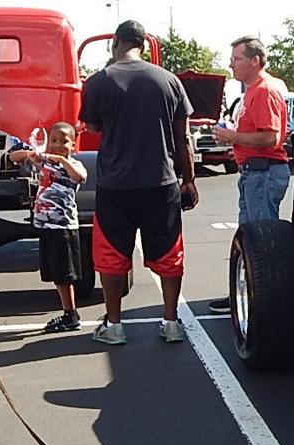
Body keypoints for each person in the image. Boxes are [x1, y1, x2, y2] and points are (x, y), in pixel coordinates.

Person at [79, 20, 197, 345]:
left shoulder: (98, 81)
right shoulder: (169, 80)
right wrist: (189, 179)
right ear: (143, 44)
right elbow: (183, 137)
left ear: (115, 42)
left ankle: (114, 325)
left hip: (115, 185)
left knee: (112, 255)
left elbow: (91, 126)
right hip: (161, 182)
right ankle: (171, 321)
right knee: (169, 252)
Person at [209, 36, 289, 314]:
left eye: (237, 58)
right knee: (251, 239)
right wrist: (237, 142)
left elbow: (271, 138)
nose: (231, 64)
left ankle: (267, 303)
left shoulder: (264, 91)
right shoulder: (254, 91)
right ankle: (249, 296)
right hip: (255, 172)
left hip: (263, 173)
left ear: (255, 61)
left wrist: (233, 136)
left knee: (262, 241)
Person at [7, 122, 87, 332]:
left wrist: (59, 159)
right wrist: (31, 153)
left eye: (63, 141)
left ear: (73, 145)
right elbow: (12, 158)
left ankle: (71, 315)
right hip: (46, 224)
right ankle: (68, 312)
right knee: (55, 273)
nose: (57, 145)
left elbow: (79, 178)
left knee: (64, 273)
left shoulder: (74, 164)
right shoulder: (43, 165)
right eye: (53, 141)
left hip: (63, 225)